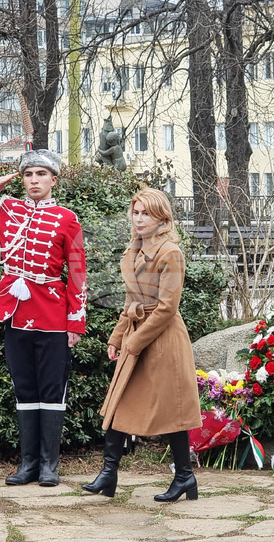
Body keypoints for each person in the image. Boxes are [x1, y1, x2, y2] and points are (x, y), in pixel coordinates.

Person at [0, 149, 87, 487]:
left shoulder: (67, 218)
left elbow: (78, 272)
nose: (34, 181)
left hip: (52, 313)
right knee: (24, 388)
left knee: (52, 390)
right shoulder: (6, 210)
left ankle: (48, 465)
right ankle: (27, 464)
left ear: (53, 180)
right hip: (15, 311)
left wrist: (75, 322)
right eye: (28, 175)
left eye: (41, 174)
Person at [82, 188, 202, 502]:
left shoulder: (170, 251)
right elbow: (131, 301)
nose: (138, 219)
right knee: (119, 401)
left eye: (145, 213)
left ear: (161, 216)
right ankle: (109, 473)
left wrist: (133, 341)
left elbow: (167, 307)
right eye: (135, 212)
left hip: (163, 340)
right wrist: (118, 336)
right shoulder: (134, 249)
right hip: (138, 334)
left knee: (172, 410)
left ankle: (185, 477)